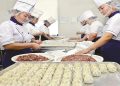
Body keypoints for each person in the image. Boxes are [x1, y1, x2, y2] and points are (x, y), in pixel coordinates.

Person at [0, 0, 41, 68]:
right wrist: (31, 44)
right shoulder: (6, 25)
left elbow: (26, 38)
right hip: (12, 57)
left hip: (26, 55)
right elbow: (8, 45)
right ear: (16, 13)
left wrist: (34, 41)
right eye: (25, 16)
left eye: (28, 17)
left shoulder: (23, 26)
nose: (27, 19)